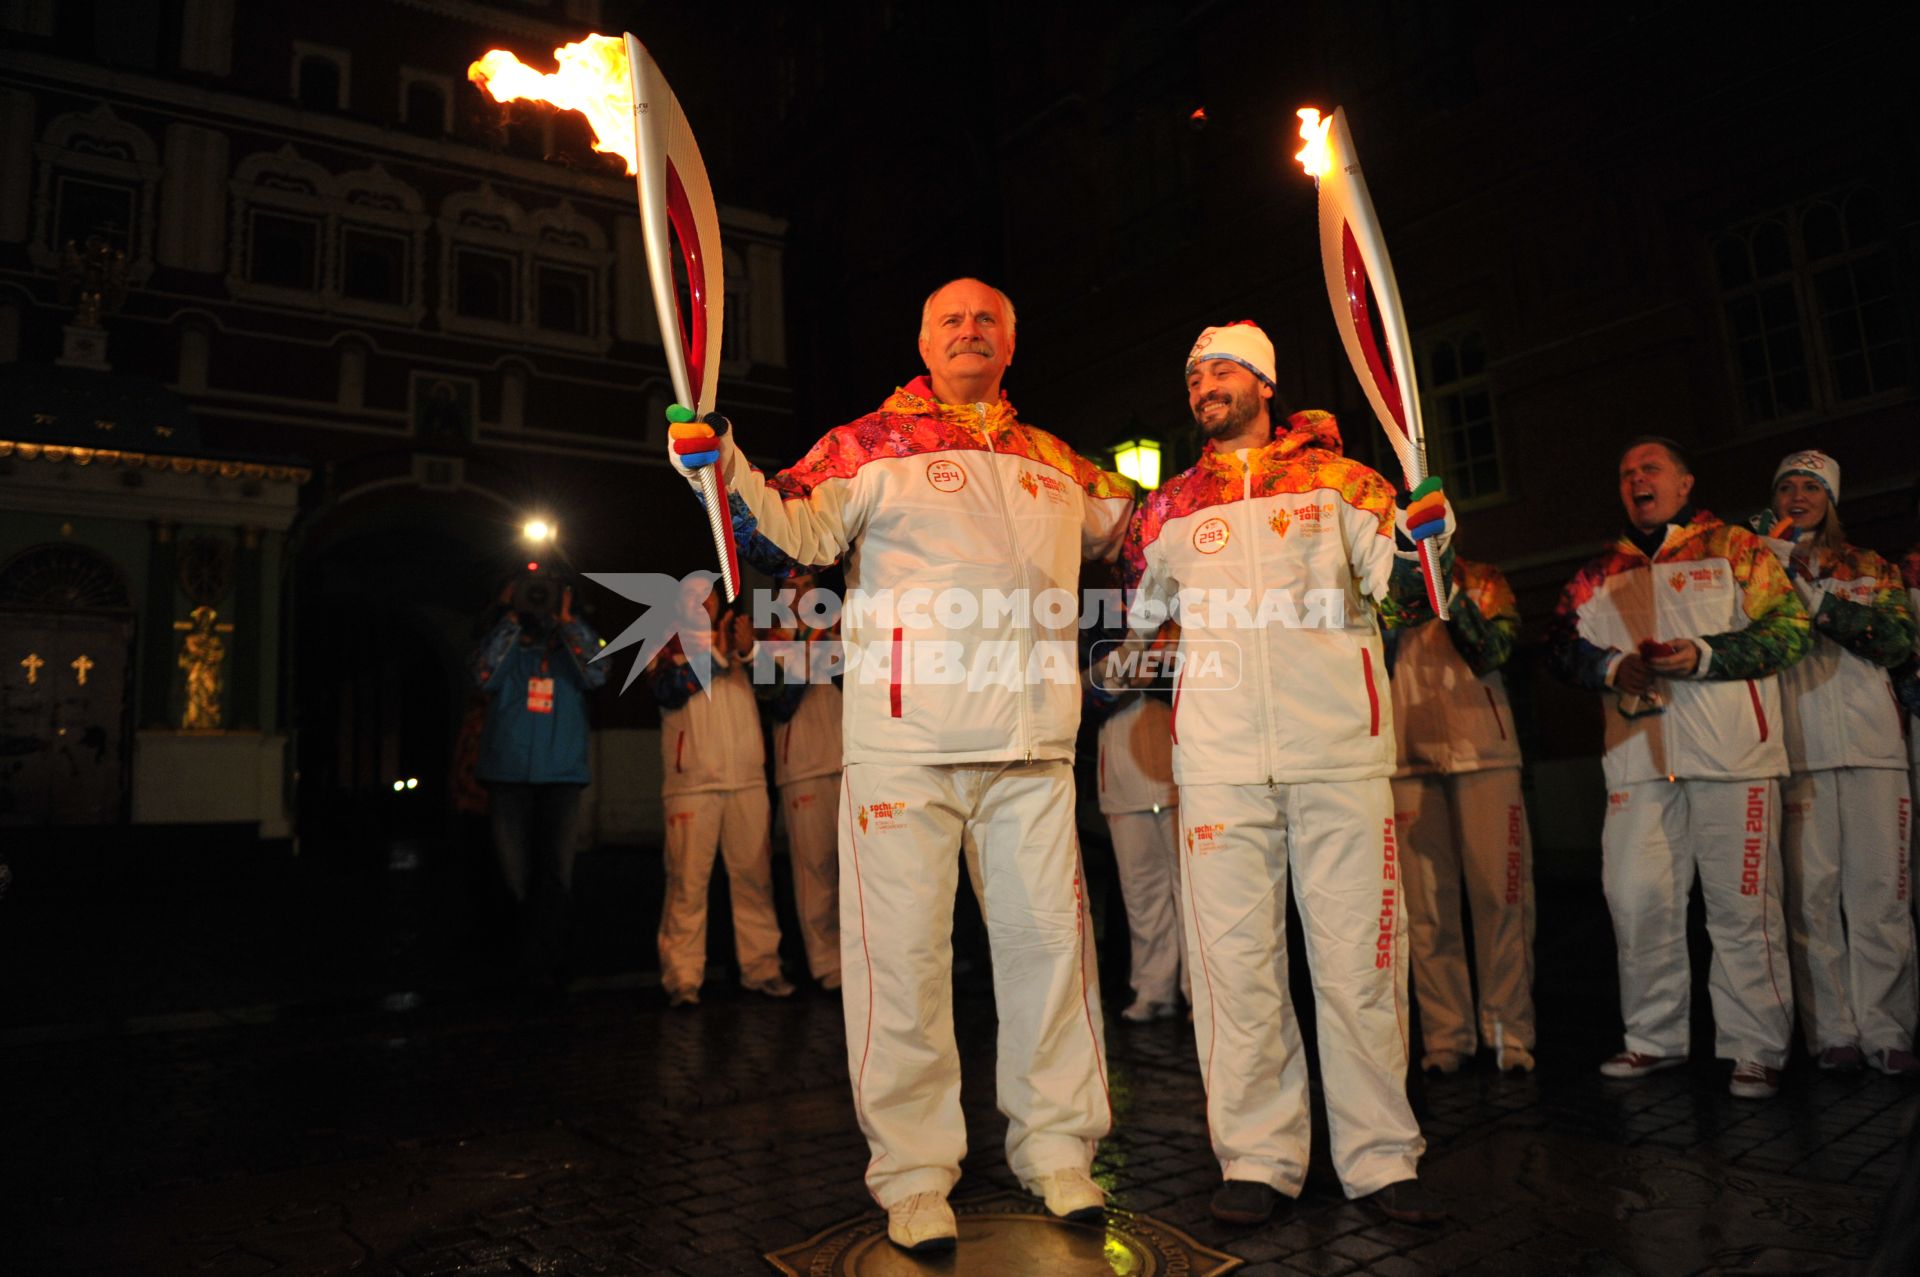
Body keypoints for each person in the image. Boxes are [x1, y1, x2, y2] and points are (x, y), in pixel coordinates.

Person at [666, 278, 1134, 1252]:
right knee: (904, 964)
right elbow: (785, 524)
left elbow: (1148, 529)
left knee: (1052, 958)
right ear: (924, 340)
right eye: (952, 318)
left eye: (988, 319)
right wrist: (717, 466)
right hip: (906, 747)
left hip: (1031, 748)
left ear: (1012, 340)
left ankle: (1058, 1151)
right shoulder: (867, 445)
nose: (971, 330)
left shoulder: (1056, 462)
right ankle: (916, 1172)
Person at [1113, 321, 1452, 1227]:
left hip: (1336, 754)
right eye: (1192, 373)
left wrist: (1432, 534)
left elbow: (1413, 594)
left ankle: (1382, 1156)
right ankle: (1257, 1155)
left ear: (1265, 381)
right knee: (1234, 968)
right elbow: (1138, 615)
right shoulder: (1172, 504)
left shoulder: (1345, 483)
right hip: (1220, 764)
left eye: (1221, 368)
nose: (1203, 384)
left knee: (1358, 963)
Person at [1548, 436, 1809, 1099]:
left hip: (1733, 757)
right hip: (1637, 762)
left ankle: (1755, 1047)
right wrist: (1612, 666)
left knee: (1742, 909)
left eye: (1650, 468)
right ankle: (1653, 1039)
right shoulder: (1599, 570)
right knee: (1638, 904)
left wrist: (1702, 654)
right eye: (1625, 471)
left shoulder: (1734, 550)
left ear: (1685, 484)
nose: (1636, 478)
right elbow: (1558, 645)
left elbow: (1789, 630)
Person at [1755, 450, 1918, 1075]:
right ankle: (1833, 1032)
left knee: (1881, 894)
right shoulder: (1756, 565)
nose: (1798, 496)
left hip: (1876, 750)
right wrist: (1767, 562)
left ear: (1832, 498)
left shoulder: (1871, 566)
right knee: (1812, 900)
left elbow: (1898, 641)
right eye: (1787, 486)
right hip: (1798, 749)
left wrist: (1815, 597)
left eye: (1811, 487)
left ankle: (1888, 1028)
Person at [1382, 556, 1537, 1075]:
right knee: (1427, 912)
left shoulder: (1483, 579)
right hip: (1407, 760)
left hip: (1484, 755)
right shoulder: (1380, 588)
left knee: (1501, 897)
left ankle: (1508, 1031)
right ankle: (1447, 1037)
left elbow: (1493, 648)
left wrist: (1444, 592)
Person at [646, 580, 792, 1007]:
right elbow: (667, 691)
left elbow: (776, 693)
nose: (703, 600)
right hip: (691, 785)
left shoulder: (743, 642)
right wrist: (716, 655)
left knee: (755, 882)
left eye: (709, 593)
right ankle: (683, 979)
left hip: (747, 781)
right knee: (687, 885)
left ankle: (762, 968)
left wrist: (747, 652)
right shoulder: (666, 641)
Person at [471, 569, 607, 975]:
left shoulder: (571, 645)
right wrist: (510, 616)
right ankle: (516, 964)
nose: (538, 599)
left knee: (556, 877)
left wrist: (568, 621)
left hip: (561, 778)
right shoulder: (506, 642)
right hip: (508, 776)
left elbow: (599, 672)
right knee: (514, 878)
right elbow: (481, 675)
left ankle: (550, 964)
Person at [1088, 622, 1186, 1023]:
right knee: (1142, 892)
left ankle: (1203, 991)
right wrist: (1116, 678)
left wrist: (1157, 668)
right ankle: (1153, 990)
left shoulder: (1177, 615)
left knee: (1191, 890)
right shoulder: (1094, 619)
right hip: (1124, 779)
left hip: (1176, 774)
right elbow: (1083, 690)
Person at [762, 572, 843, 991]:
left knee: (852, 871)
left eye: (809, 584)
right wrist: (814, 640)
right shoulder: (772, 642)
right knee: (816, 872)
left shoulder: (832, 632)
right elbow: (780, 701)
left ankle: (859, 960)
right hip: (802, 769)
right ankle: (827, 965)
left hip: (846, 761)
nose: (805, 592)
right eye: (795, 587)